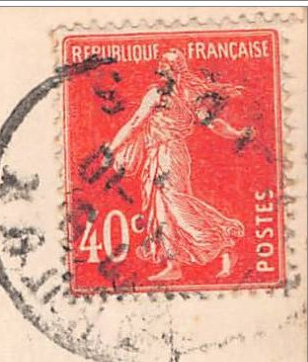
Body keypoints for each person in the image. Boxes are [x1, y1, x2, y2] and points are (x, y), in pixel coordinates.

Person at [101, 49, 252, 282]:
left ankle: (222, 240)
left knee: (174, 205)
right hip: (165, 154)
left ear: (167, 70)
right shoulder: (189, 94)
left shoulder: (158, 94)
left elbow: (134, 124)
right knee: (165, 208)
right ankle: (176, 263)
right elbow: (213, 124)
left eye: (164, 65)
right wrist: (238, 134)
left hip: (166, 154)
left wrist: (111, 149)